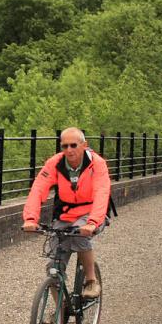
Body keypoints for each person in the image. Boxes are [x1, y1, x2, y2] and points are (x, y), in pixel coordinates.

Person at [22, 127, 111, 299]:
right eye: (64, 146)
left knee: (80, 236)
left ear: (84, 145)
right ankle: (59, 312)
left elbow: (102, 192)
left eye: (73, 145)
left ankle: (91, 280)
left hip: (91, 213)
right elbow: (38, 189)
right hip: (65, 215)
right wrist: (30, 218)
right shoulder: (55, 163)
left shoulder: (97, 164)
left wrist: (92, 222)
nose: (68, 150)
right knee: (53, 266)